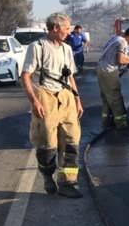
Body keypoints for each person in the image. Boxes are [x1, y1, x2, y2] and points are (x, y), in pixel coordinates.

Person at [20, 12, 84, 198]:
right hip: (45, 96)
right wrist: (35, 102)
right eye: (65, 29)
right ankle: (48, 176)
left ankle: (68, 183)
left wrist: (77, 100)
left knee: (72, 141)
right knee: (47, 144)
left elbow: (70, 76)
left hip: (66, 97)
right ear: (55, 28)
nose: (68, 32)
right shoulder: (38, 47)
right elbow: (25, 76)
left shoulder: (66, 48)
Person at [97, 27, 129, 129]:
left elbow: (115, 55)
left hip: (101, 69)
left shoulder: (115, 38)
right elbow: (120, 59)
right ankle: (121, 123)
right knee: (116, 97)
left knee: (107, 97)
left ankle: (106, 122)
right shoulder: (122, 42)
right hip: (109, 71)